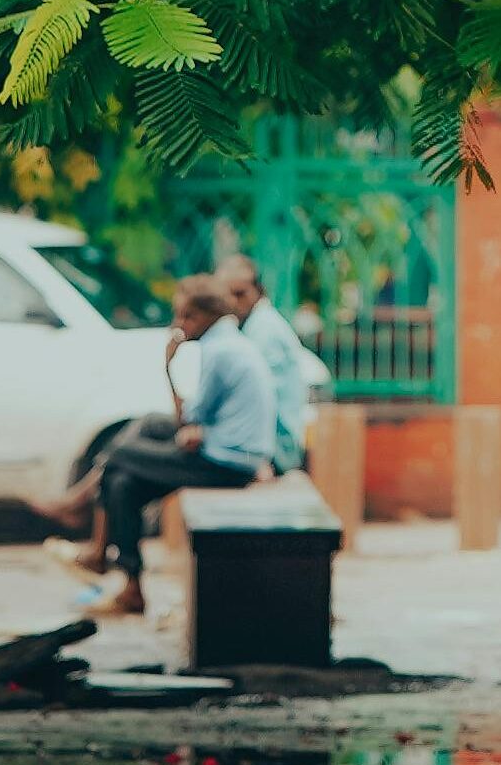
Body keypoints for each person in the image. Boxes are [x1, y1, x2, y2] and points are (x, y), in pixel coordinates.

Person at [51, 276, 276, 616]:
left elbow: (190, 418)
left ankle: (94, 540)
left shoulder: (219, 351)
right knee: (125, 480)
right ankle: (128, 586)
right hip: (227, 451)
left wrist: (168, 367)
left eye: (185, 317)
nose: (178, 325)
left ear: (204, 317)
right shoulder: (231, 343)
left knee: (119, 455)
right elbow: (193, 422)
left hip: (225, 462)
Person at [216, 254, 310, 474]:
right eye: (226, 295)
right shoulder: (250, 325)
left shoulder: (264, 330)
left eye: (240, 294)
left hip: (276, 449)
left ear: (259, 290)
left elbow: (262, 401)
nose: (233, 302)